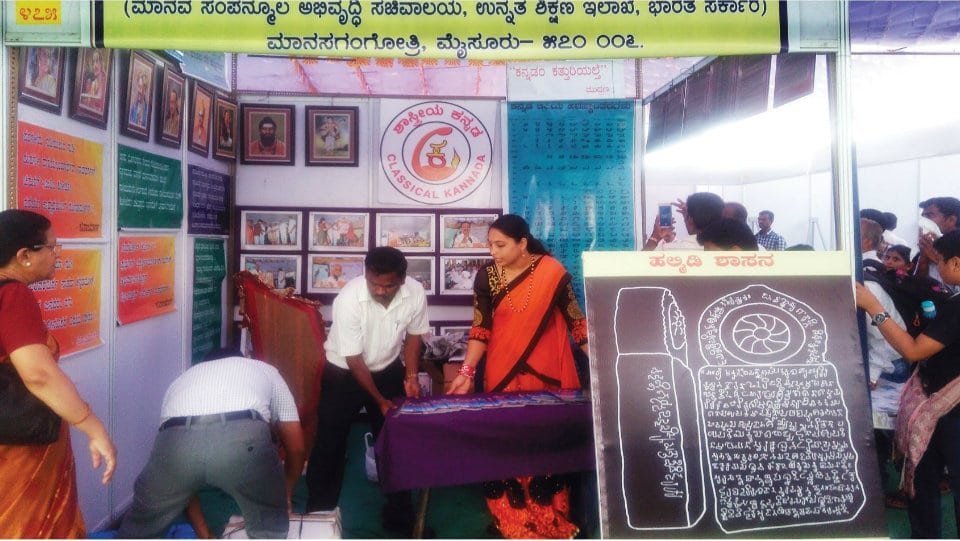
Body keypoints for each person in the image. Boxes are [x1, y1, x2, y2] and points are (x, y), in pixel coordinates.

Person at [447, 214, 588, 539]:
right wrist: (466, 373)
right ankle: (512, 523)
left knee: (545, 442)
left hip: (548, 373)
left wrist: (602, 362)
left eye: (500, 245)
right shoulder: (488, 277)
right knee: (507, 441)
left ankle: (551, 520)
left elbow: (576, 323)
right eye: (489, 245)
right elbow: (481, 328)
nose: (493, 252)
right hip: (502, 371)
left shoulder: (552, 273)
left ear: (522, 243)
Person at [0, 209, 116, 538]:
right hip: (19, 452)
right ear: (24, 256)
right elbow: (38, 375)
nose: (58, 255)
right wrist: (92, 427)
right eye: (52, 247)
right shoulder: (12, 295)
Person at [305, 247, 429, 537]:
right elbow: (354, 359)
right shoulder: (348, 299)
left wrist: (410, 376)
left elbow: (413, 337)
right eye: (374, 283)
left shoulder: (415, 292)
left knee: (395, 442)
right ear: (365, 273)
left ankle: (400, 519)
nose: (380, 290)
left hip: (387, 368)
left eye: (388, 285)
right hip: (343, 372)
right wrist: (379, 401)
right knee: (329, 444)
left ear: (402, 279)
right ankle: (318, 519)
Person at [118, 348, 304, 539]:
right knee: (269, 526)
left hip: (176, 441)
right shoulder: (265, 369)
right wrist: (284, 492)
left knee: (137, 532)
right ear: (243, 359)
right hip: (243, 439)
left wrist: (205, 535)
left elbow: (180, 481)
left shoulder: (183, 379)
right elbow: (296, 447)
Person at [855, 229, 960, 538]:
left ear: (956, 262)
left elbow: (913, 350)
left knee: (927, 482)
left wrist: (874, 308)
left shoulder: (957, 308)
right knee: (923, 479)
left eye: (939, 261)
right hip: (942, 406)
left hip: (946, 409)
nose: (937, 267)